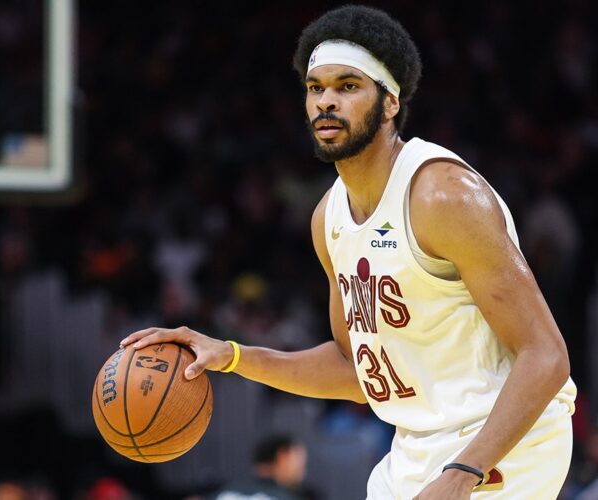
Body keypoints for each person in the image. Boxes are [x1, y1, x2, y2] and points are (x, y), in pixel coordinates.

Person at [120, 5, 577, 499]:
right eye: (316, 88)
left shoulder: (442, 195)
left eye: (348, 86)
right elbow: (354, 370)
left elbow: (547, 356)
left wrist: (464, 473)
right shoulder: (329, 219)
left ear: (389, 102)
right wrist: (230, 356)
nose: (326, 102)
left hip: (507, 443)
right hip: (419, 447)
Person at [211, 434, 313, 500]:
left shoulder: (221, 492)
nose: (303, 473)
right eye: (301, 466)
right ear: (283, 457)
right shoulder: (286, 497)